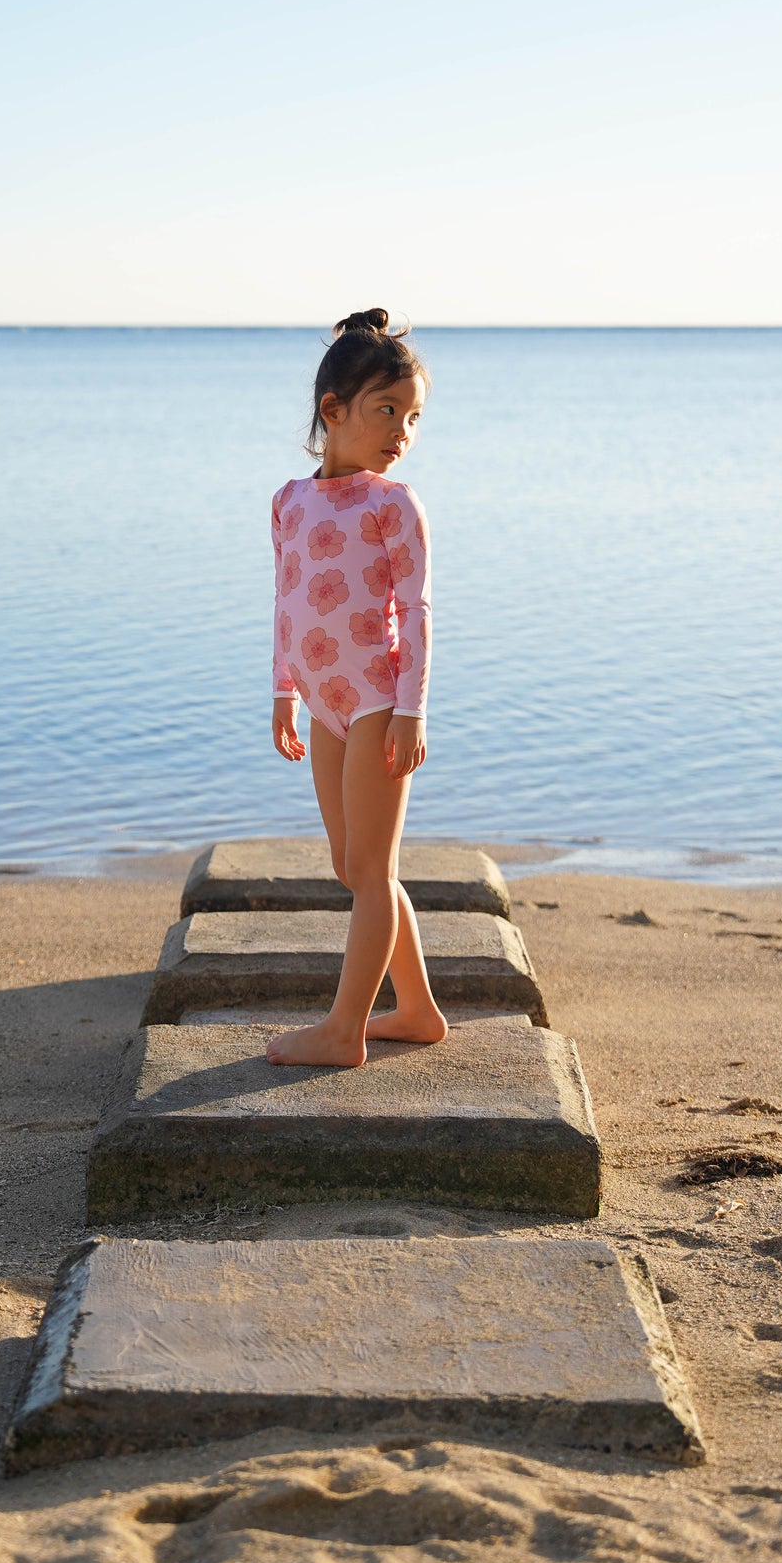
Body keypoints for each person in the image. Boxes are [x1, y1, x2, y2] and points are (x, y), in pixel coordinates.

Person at [265, 309, 445, 1067]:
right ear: (332, 410)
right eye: (387, 410)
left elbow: (416, 610)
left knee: (371, 872)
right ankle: (418, 1010)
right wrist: (284, 691)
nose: (402, 430)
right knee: (352, 868)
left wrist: (411, 709)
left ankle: (344, 1030)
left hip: (375, 701)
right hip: (324, 702)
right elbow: (286, 598)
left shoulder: (392, 504)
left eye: (413, 417)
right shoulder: (289, 500)